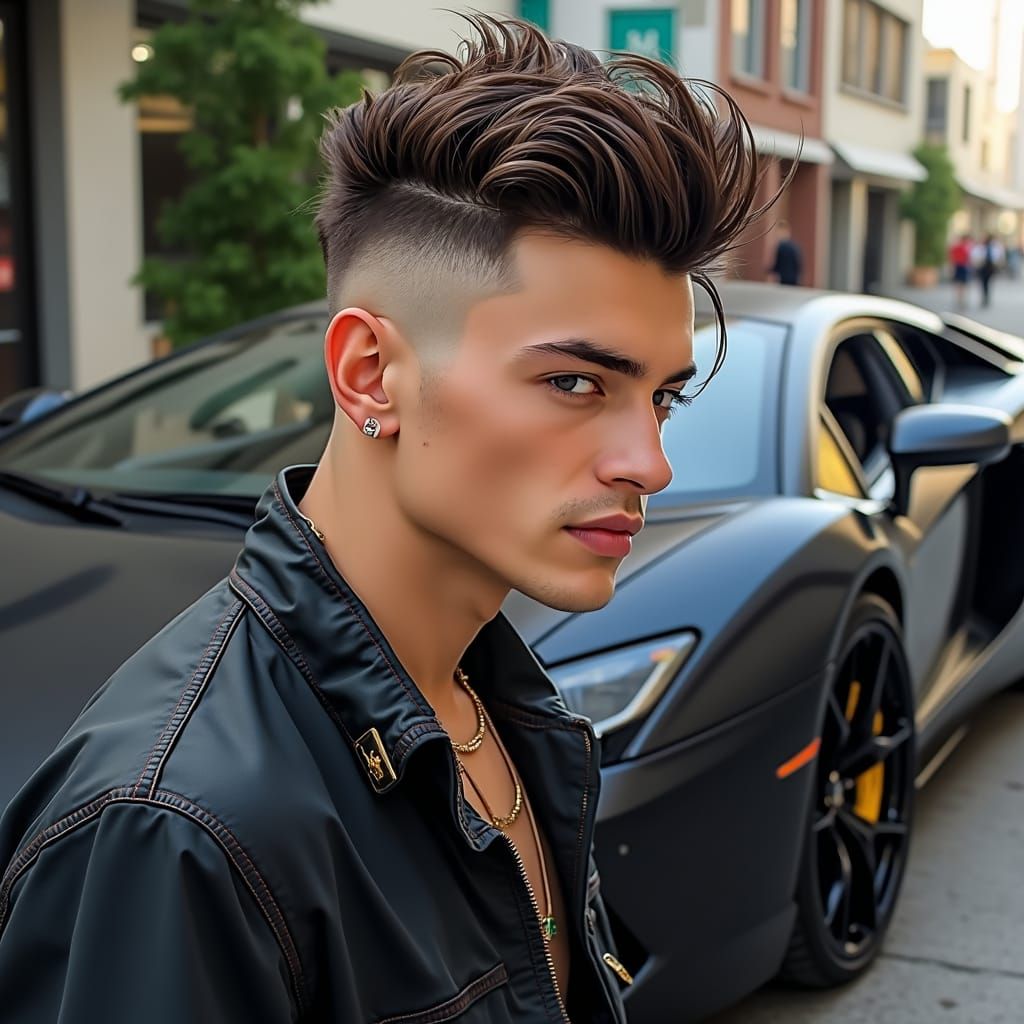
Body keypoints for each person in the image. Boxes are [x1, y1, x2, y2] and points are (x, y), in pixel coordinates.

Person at [0, 15, 773, 1023]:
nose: (649, 462)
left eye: (662, 396)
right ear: (371, 375)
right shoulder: (178, 827)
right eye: (575, 380)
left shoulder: (502, 700)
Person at [972, 233, 1005, 307]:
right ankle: (985, 297)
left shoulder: (994, 247)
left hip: (990, 267)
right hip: (982, 266)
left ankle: (986, 296)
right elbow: (975, 256)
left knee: (987, 282)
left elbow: (999, 256)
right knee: (983, 282)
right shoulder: (980, 247)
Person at [768, 220, 802, 285]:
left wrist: (769, 270)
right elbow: (798, 264)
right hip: (793, 280)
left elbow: (778, 265)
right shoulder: (795, 246)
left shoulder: (781, 247)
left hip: (784, 280)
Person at [948, 232, 973, 310]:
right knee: (962, 284)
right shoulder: (964, 247)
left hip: (961, 266)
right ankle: (961, 299)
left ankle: (960, 299)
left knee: (960, 284)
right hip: (961, 266)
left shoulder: (959, 246)